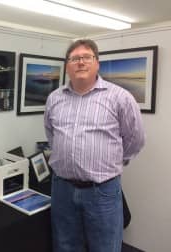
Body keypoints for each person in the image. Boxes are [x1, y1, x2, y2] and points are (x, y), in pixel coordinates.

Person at [44, 39, 145, 252]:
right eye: (74, 59)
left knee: (105, 247)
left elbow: (135, 140)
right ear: (67, 66)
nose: (80, 62)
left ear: (96, 63)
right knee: (65, 246)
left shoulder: (120, 98)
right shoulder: (54, 98)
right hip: (61, 188)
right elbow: (52, 136)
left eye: (86, 57)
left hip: (102, 191)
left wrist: (112, 162)